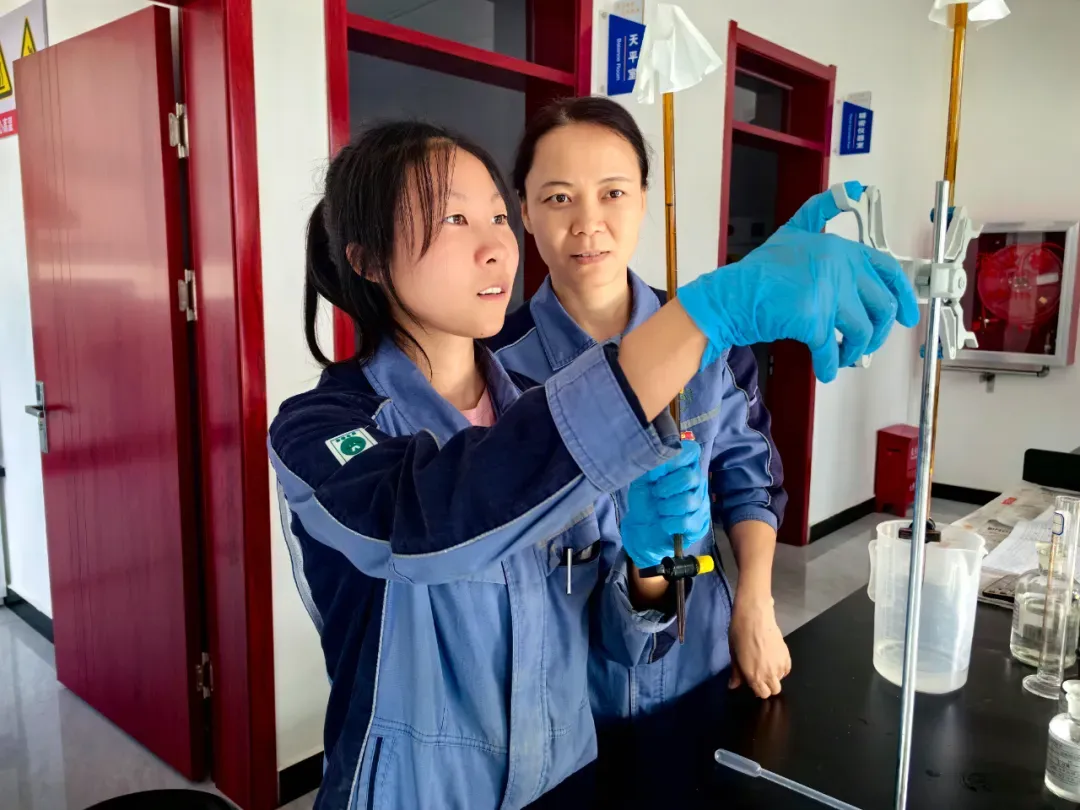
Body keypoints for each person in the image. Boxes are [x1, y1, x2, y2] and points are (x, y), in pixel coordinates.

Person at [270, 120, 917, 810]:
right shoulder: (322, 429)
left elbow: (620, 639)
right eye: (455, 219)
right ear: (368, 260)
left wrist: (651, 566)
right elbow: (429, 522)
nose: (495, 247)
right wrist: (709, 312)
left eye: (495, 216)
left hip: (569, 780)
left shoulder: (538, 408)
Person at [490, 96, 797, 717]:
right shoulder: (493, 368)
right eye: (558, 197)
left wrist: (756, 603)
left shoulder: (707, 340)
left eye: (612, 193)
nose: (588, 224)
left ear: (644, 200)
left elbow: (750, 478)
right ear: (524, 209)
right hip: (562, 691)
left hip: (699, 656)